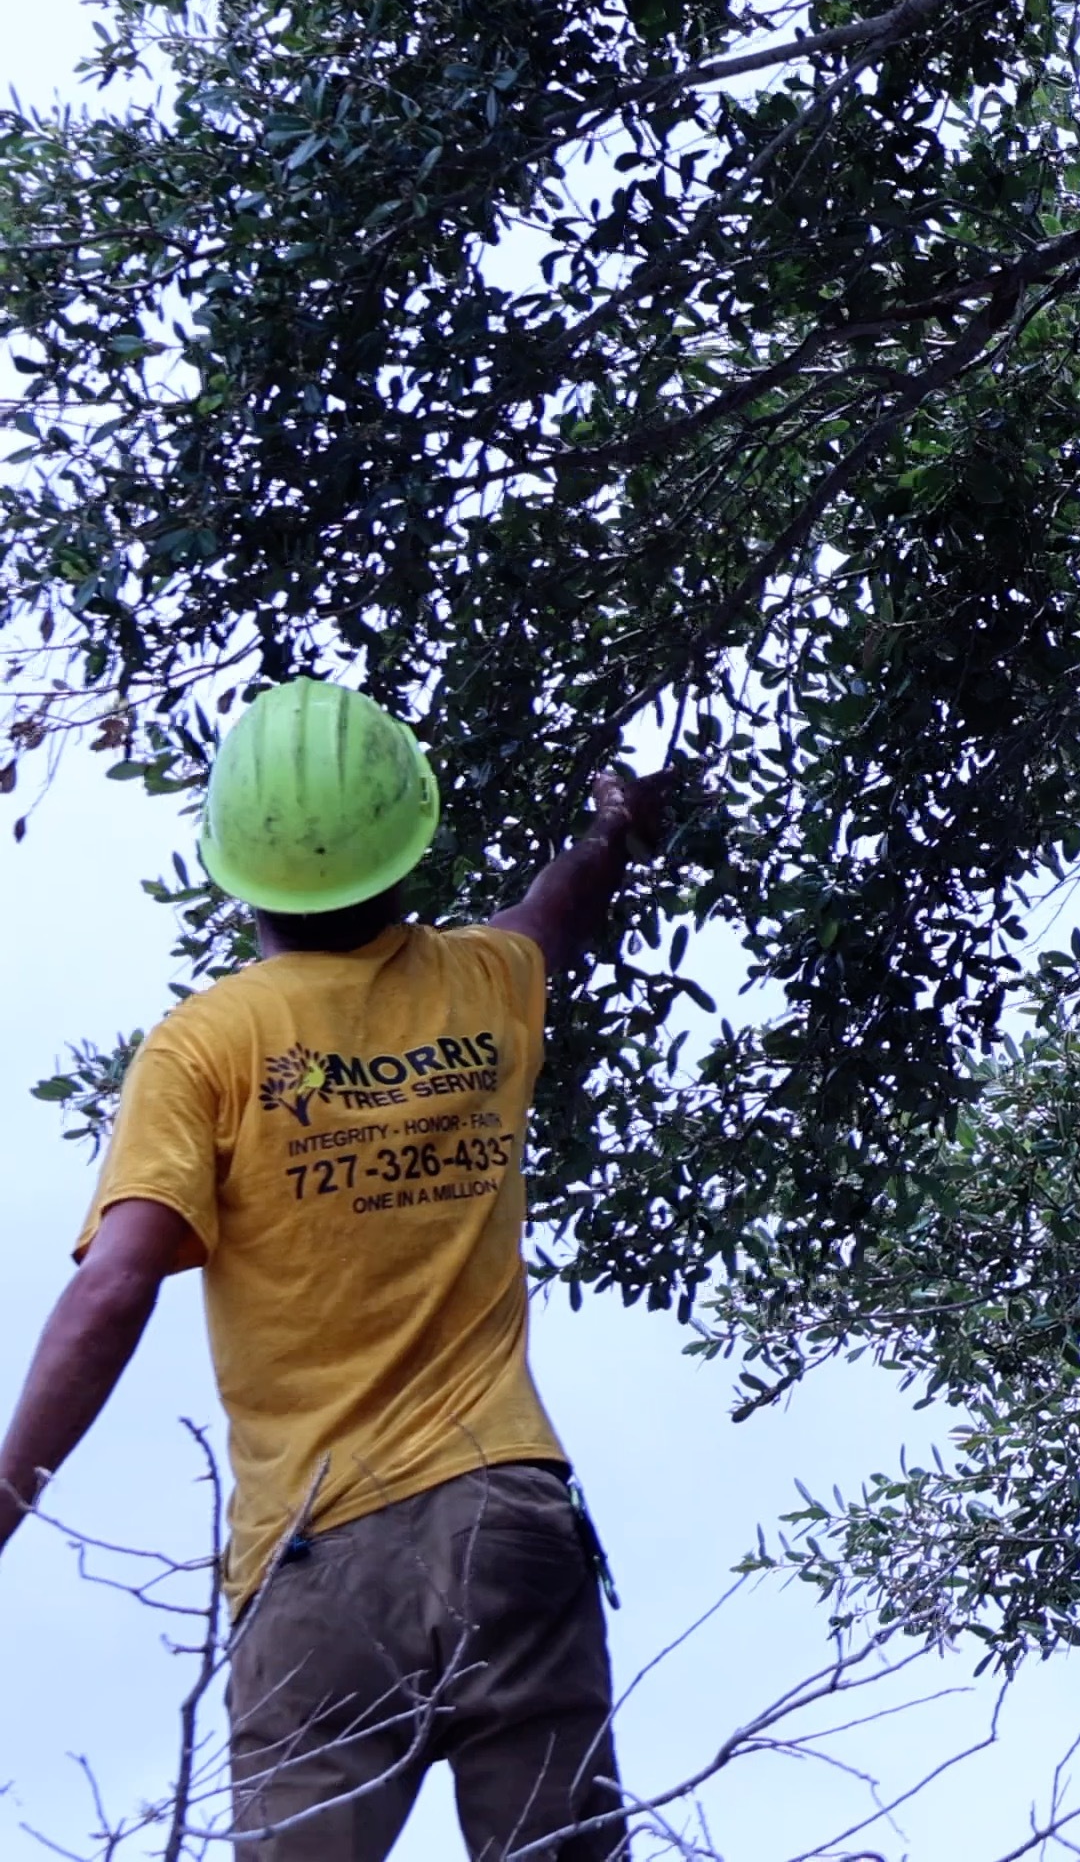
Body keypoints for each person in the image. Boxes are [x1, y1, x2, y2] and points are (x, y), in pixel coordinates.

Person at [0, 678, 686, 1862]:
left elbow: (114, 1286)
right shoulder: (487, 985)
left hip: (322, 1558)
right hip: (508, 1515)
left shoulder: (206, 1049)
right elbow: (555, 911)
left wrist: (8, 1497)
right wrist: (615, 833)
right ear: (406, 846)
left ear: (237, 869)